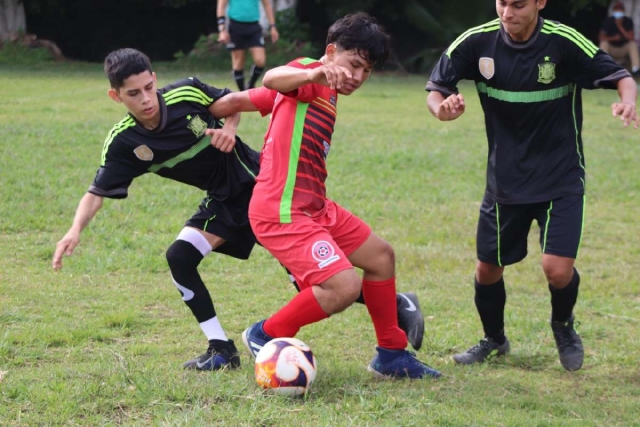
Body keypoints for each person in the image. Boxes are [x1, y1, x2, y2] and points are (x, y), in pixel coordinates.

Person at [52, 48, 427, 372]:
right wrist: (74, 230)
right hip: (223, 202)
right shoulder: (123, 143)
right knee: (180, 256)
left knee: (317, 282)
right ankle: (220, 349)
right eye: (134, 94)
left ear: (156, 78)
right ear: (116, 97)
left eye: (149, 87)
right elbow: (96, 191)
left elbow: (236, 102)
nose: (147, 99)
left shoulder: (185, 93)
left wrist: (229, 128)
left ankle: (393, 305)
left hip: (260, 188)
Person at [425, 0, 638, 371]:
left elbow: (622, 77)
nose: (508, 12)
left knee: (557, 269)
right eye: (502, 2)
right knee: (487, 270)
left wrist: (628, 102)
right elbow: (436, 88)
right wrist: (440, 108)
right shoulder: (477, 42)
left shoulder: (564, 42)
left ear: (540, 2)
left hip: (561, 178)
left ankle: (563, 325)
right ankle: (494, 340)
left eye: (519, 4)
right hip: (505, 181)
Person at [237, 12, 442, 379]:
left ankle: (391, 356)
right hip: (281, 209)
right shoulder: (311, 72)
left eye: (367, 71)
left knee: (381, 257)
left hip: (314, 206)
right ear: (330, 52)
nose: (359, 77)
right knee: (343, 286)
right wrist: (313, 72)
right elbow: (271, 78)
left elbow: (251, 100)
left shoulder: (331, 90)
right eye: (354, 65)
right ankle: (264, 334)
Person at [216, 0, 279, 91]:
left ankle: (251, 84)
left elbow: (267, 5)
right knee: (238, 62)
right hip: (236, 26)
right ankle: (242, 92)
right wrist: (222, 29)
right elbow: (221, 6)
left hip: (254, 26)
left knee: (260, 61)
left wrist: (273, 26)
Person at [599, 1, 640, 76]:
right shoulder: (608, 21)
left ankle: (636, 69)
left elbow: (631, 37)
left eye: (620, 9)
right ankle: (602, 68)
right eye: (616, 9)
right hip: (612, 48)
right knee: (604, 43)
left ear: (623, 11)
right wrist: (613, 38)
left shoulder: (628, 21)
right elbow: (601, 37)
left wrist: (620, 27)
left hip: (623, 49)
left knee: (632, 44)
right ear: (614, 10)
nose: (618, 11)